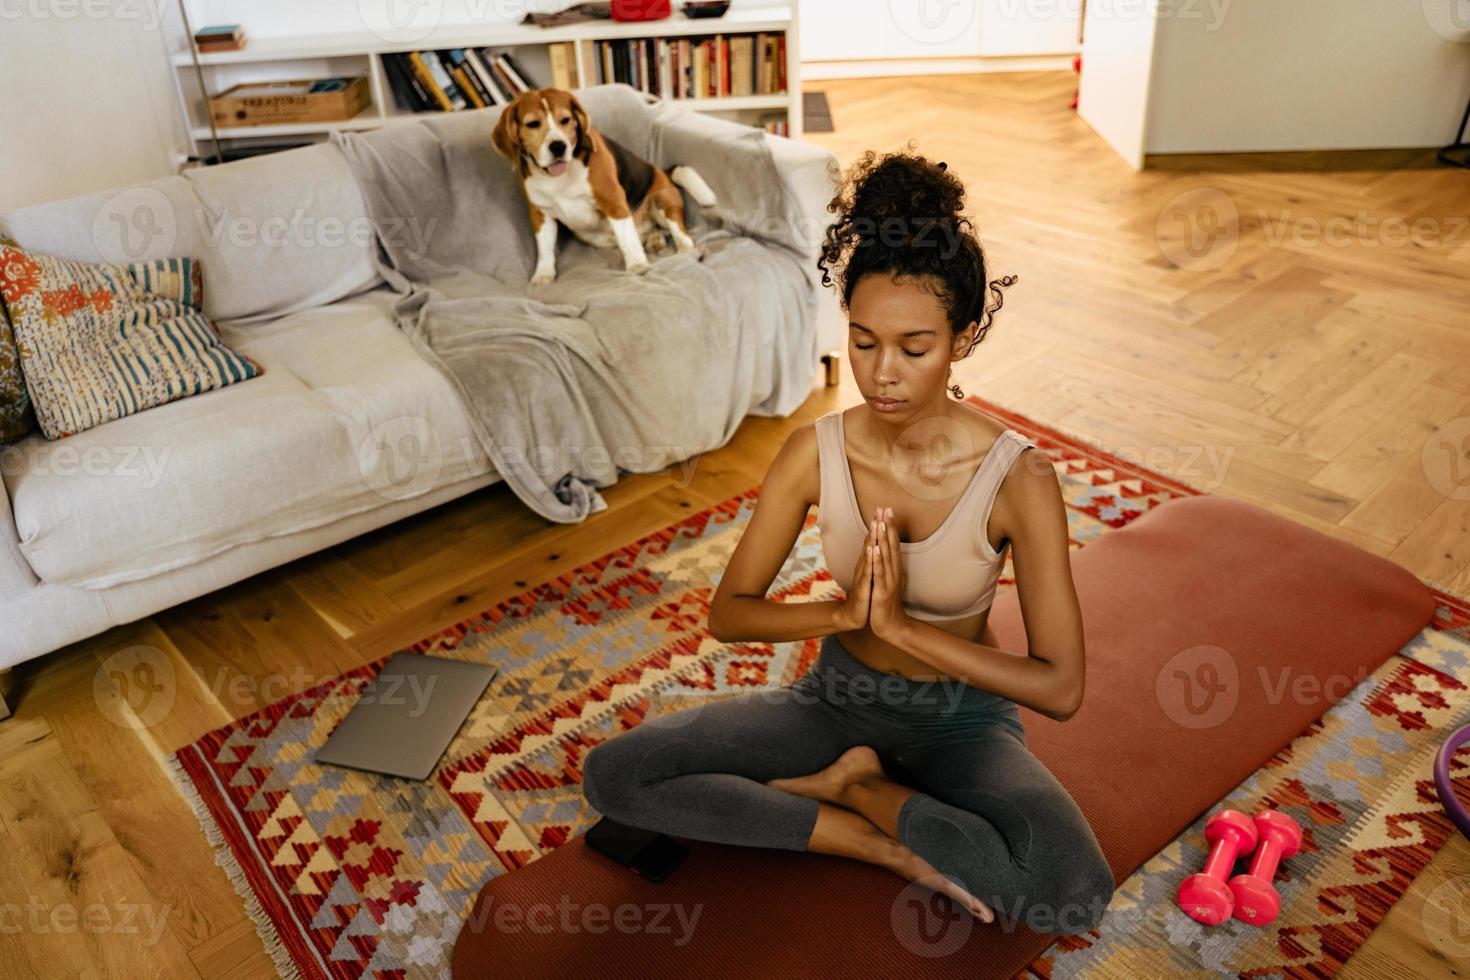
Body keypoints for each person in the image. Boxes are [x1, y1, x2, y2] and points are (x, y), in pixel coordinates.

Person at [581, 145, 1114, 934]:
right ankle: (870, 837)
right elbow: (730, 614)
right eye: (863, 342)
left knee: (1070, 890)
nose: (882, 374)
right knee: (618, 775)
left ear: (961, 339)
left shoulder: (1018, 480)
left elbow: (1059, 689)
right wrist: (844, 620)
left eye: (914, 347)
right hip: (834, 701)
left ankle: (861, 788)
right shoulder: (813, 452)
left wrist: (903, 629)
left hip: (960, 725)